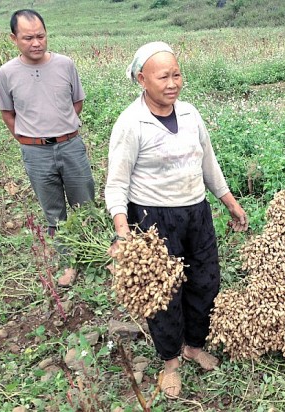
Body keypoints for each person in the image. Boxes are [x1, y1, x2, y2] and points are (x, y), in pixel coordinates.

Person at [105, 41, 248, 399]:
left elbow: (208, 162)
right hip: (153, 218)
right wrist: (123, 231)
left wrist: (228, 201)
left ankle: (194, 345)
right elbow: (117, 182)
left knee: (205, 280)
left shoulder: (189, 114)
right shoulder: (131, 123)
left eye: (177, 74)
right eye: (163, 76)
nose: (173, 83)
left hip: (196, 212)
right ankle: (170, 361)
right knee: (163, 293)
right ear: (142, 79)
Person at [0, 9, 95, 286]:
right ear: (14, 38)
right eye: (28, 38)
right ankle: (69, 263)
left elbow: (77, 103)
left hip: (70, 145)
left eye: (41, 36)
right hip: (35, 153)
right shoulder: (6, 73)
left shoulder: (65, 65)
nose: (36, 43)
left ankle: (94, 254)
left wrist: (64, 127)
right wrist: (30, 140)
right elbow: (7, 114)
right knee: (54, 214)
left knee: (85, 205)